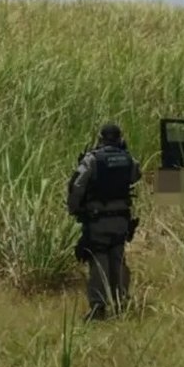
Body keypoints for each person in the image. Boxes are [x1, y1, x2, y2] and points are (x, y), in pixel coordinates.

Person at [67, 123, 141, 321]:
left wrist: (74, 208)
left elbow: (77, 185)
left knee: (99, 261)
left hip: (98, 220)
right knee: (118, 260)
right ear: (119, 138)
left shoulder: (92, 160)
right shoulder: (128, 159)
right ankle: (121, 302)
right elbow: (135, 176)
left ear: (101, 138)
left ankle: (98, 307)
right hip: (120, 221)